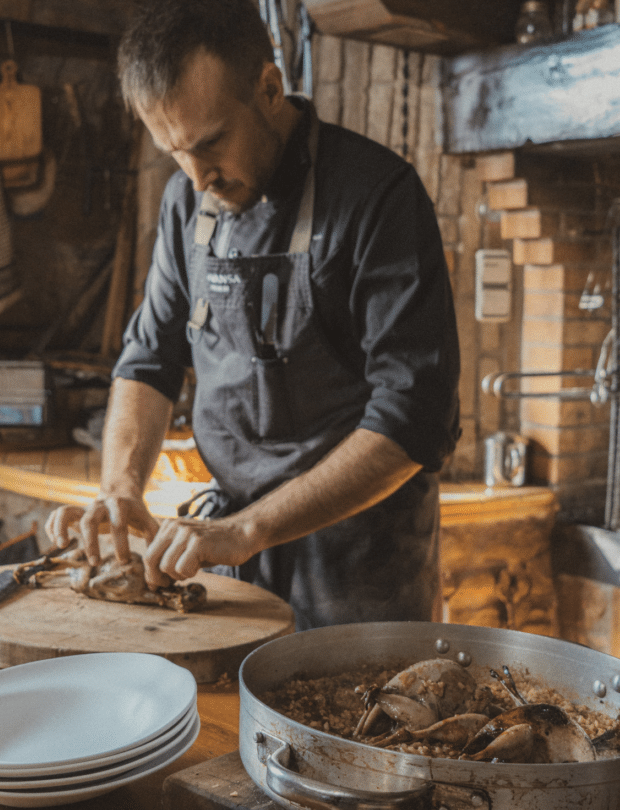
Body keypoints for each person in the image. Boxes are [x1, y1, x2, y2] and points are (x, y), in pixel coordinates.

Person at [45, 0, 461, 630]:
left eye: (210, 142)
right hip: (231, 555)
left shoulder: (378, 197)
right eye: (174, 153)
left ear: (269, 88)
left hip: (362, 566)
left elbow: (412, 418)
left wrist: (249, 528)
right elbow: (149, 361)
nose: (197, 175)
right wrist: (122, 490)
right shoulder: (188, 199)